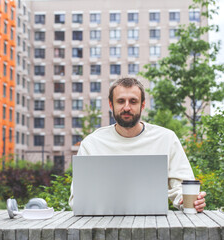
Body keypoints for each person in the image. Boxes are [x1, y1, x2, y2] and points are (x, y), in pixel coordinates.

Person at [69, 77, 206, 212]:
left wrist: (189, 201)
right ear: (111, 105)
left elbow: (182, 187)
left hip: (153, 227)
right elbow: (77, 200)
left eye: (133, 101)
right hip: (103, 226)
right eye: (121, 101)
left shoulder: (166, 139)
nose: (127, 107)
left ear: (142, 105)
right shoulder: (92, 144)